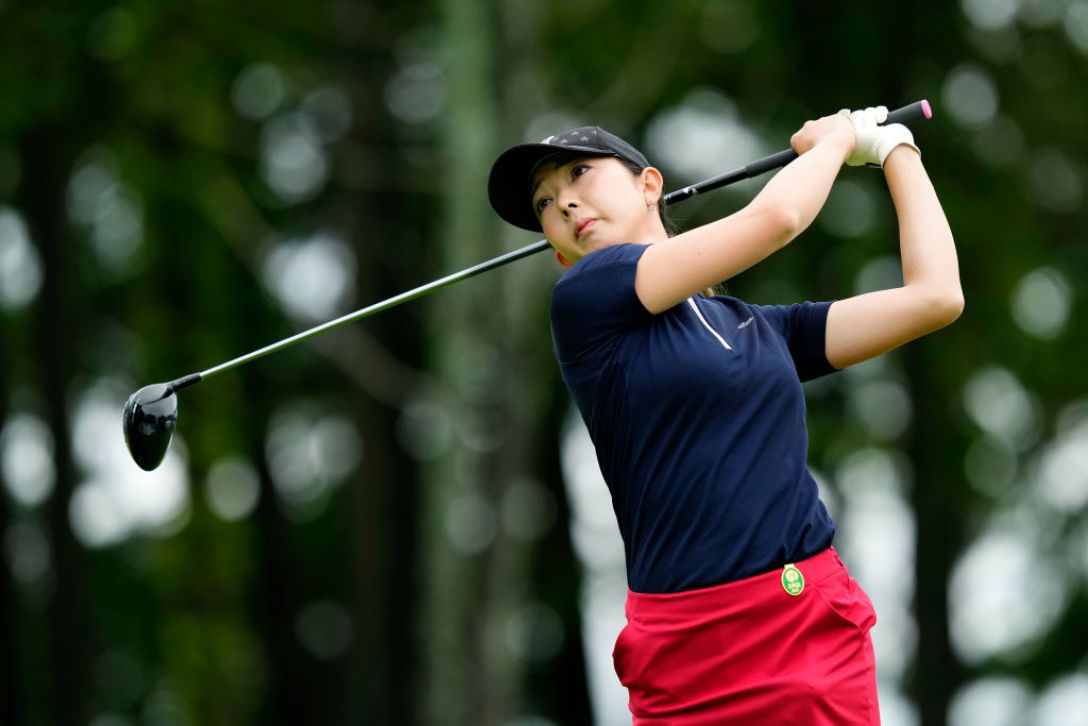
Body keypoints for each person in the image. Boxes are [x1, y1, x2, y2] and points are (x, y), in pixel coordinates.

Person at [487, 107, 962, 724]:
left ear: (649, 184)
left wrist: (896, 150)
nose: (566, 204)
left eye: (580, 173)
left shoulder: (759, 330)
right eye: (546, 204)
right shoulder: (585, 299)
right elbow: (778, 218)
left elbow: (935, 297)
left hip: (810, 625)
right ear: (556, 250)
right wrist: (836, 141)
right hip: (690, 651)